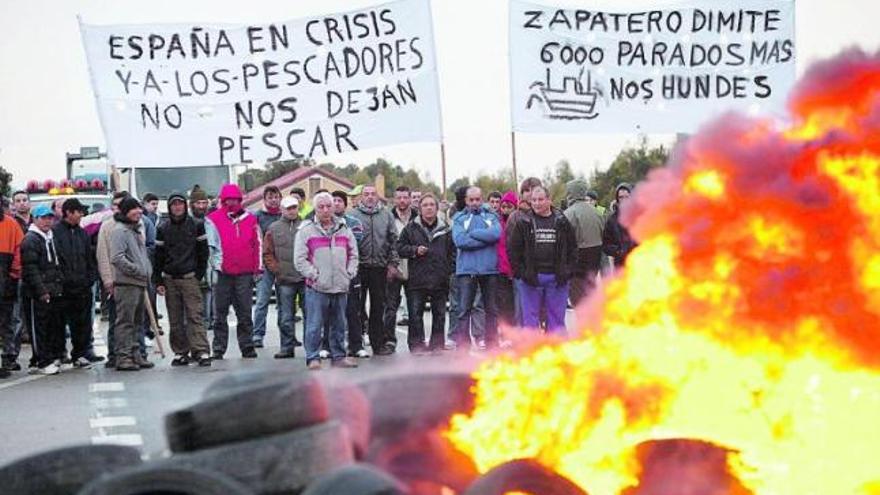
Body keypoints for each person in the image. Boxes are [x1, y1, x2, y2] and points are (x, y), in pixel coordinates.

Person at [293, 192, 359, 370]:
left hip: (340, 285)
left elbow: (354, 254)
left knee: (339, 324)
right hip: (316, 287)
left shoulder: (344, 229)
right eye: (321, 207)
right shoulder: (305, 230)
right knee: (314, 325)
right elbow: (299, 260)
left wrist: (349, 272)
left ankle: (339, 357)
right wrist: (314, 275)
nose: (325, 210)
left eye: (328, 206)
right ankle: (313, 357)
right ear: (315, 208)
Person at [507, 186, 577, 334]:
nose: (537, 203)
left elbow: (573, 248)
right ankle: (532, 351)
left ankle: (556, 350)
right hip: (531, 279)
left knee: (556, 319)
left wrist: (568, 271)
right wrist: (521, 273)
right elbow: (513, 251)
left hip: (557, 278)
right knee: (530, 320)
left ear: (549, 200)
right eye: (533, 200)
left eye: (540, 199)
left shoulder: (562, 221)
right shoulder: (523, 222)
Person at [154, 192, 211, 367]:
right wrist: (158, 280)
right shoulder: (163, 228)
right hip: (170, 278)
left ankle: (201, 351)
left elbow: (203, 252)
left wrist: (198, 275)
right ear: (169, 207)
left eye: (180, 204)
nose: (177, 207)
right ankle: (180, 352)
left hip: (190, 278)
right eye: (174, 204)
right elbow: (158, 256)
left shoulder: (197, 225)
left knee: (195, 315)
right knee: (175, 318)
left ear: (185, 206)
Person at [205, 183, 261, 360]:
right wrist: (212, 269)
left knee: (244, 312)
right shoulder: (212, 219)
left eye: (235, 199)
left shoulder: (250, 219)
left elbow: (257, 243)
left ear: (240, 200)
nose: (232, 203)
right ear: (223, 200)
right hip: (222, 272)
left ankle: (247, 346)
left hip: (244, 272)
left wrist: (258, 268)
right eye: (228, 200)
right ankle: (219, 348)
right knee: (219, 313)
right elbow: (209, 247)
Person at [397, 193, 454, 354]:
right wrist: (414, 250)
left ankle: (437, 345)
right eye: (425, 205)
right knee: (415, 314)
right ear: (420, 208)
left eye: (432, 205)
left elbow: (453, 252)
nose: (429, 208)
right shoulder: (411, 227)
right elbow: (399, 248)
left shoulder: (446, 229)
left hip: (439, 278)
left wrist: (448, 270)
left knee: (440, 314)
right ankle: (417, 346)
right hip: (417, 278)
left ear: (437, 208)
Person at [350, 184, 400, 356]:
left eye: (373, 194)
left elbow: (394, 240)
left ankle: (378, 343)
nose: (370, 197)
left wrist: (393, 264)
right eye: (366, 194)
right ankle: (356, 344)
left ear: (378, 196)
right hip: (358, 267)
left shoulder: (386, 215)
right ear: (361, 197)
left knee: (378, 307)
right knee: (356, 308)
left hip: (380, 267)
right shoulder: (352, 216)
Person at [53, 198, 103, 367]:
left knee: (81, 323)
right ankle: (59, 353)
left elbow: (89, 258)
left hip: (82, 287)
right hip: (63, 287)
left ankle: (80, 353)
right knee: (58, 323)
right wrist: (60, 280)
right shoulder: (55, 232)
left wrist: (90, 278)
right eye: (78, 212)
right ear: (68, 212)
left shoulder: (82, 233)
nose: (81, 215)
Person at [451, 187, 500, 351]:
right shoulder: (459, 218)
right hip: (466, 270)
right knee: (464, 309)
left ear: (482, 199)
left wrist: (473, 233)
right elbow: (460, 241)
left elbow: (496, 234)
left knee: (491, 309)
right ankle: (463, 345)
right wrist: (485, 240)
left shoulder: (492, 216)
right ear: (466, 200)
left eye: (478, 199)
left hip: (489, 269)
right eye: (471, 200)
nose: (475, 203)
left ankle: (492, 343)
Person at [109, 197, 154, 371]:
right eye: (134, 209)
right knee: (125, 322)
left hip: (139, 283)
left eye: (140, 208)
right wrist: (137, 270)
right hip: (127, 283)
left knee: (137, 322)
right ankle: (124, 356)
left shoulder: (134, 230)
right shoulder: (120, 231)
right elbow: (117, 258)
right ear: (126, 211)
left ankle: (136, 354)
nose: (139, 212)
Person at [20, 205, 62, 375]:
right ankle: (42, 360)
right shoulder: (31, 239)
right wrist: (41, 290)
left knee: (50, 325)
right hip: (35, 292)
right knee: (38, 328)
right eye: (43, 218)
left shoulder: (50, 237)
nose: (47, 221)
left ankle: (46, 358)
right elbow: (30, 269)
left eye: (50, 218)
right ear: (35, 219)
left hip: (52, 289)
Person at [262, 195, 304, 359]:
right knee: (286, 316)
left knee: (312, 315)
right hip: (284, 279)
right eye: (289, 208)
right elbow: (267, 253)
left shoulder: (307, 225)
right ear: (282, 210)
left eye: (294, 207)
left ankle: (313, 347)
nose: (292, 211)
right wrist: (276, 270)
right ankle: (287, 347)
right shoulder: (273, 228)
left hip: (305, 278)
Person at [330, 190, 368, 358]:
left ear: (345, 204)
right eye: (334, 200)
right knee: (331, 312)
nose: (336, 203)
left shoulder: (354, 222)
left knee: (353, 310)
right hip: (329, 273)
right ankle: (331, 346)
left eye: (340, 200)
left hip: (350, 272)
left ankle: (356, 344)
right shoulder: (322, 223)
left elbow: (354, 243)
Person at [96, 192, 129, 368]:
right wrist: (108, 280)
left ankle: (134, 352)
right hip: (115, 280)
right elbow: (103, 255)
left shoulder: (136, 225)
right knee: (116, 320)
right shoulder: (107, 227)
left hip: (133, 281)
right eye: (114, 205)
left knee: (133, 320)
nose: (117, 208)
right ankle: (114, 354)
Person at [564, 180, 605, 306]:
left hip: (577, 260)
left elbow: (565, 240)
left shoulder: (569, 213)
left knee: (577, 297)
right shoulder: (597, 212)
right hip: (595, 258)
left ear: (571, 193)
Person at [252, 186, 283, 348]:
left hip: (283, 264)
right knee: (262, 301)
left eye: (276, 197)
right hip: (264, 265)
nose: (273, 200)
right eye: (270, 197)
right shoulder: (257, 217)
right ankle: (257, 334)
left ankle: (287, 336)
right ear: (264, 199)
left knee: (284, 303)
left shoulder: (284, 215)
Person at [385, 186, 415, 335]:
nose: (402, 201)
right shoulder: (387, 217)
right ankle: (389, 340)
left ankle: (416, 342)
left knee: (415, 309)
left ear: (410, 198)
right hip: (393, 268)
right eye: (399, 198)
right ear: (394, 199)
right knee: (390, 308)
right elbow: (384, 243)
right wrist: (389, 265)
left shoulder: (418, 217)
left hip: (415, 268)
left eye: (405, 197)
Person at [0, 197, 24, 376]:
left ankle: (8, 358)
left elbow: (19, 250)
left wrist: (14, 273)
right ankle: (8, 357)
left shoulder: (11, 224)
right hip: (7, 278)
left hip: (7, 279)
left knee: (7, 321)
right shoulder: (11, 224)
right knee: (7, 322)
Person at [495, 191, 518, 329]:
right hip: (502, 270)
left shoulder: (519, 223)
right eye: (503, 207)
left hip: (517, 270)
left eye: (509, 207)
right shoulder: (497, 224)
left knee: (518, 305)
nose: (505, 210)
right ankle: (506, 332)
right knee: (504, 305)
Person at [602, 183, 638, 268]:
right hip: (620, 266)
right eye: (621, 197)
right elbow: (606, 245)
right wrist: (618, 251)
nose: (624, 200)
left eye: (627, 197)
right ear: (617, 199)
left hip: (639, 264)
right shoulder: (612, 220)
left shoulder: (639, 217)